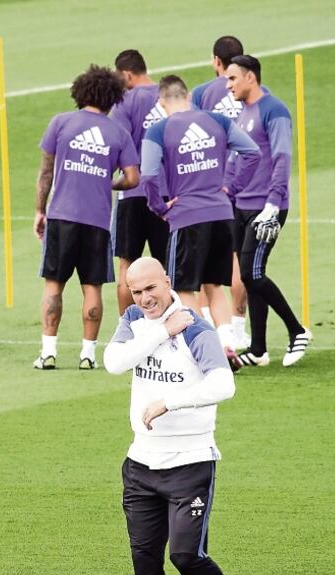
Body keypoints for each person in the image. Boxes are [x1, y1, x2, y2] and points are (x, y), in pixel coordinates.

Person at [104, 256, 251, 575]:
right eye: (136, 291)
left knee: (186, 558)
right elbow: (114, 363)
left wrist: (169, 402)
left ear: (167, 281)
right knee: (145, 564)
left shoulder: (195, 328)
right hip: (140, 466)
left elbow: (224, 385)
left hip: (189, 464)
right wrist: (159, 332)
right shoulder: (135, 319)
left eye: (151, 288)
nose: (144, 298)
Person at [140, 75, 260, 368]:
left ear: (161, 102)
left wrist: (159, 207)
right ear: (188, 96)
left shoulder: (159, 130)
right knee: (214, 286)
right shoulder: (218, 121)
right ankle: (227, 344)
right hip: (221, 214)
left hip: (187, 217)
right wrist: (231, 188)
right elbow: (252, 153)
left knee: (183, 289)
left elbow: (148, 175)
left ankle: (207, 349)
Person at [33, 64, 139, 370]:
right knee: (92, 287)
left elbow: (46, 172)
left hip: (61, 216)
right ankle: (88, 354)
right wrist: (109, 183)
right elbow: (133, 178)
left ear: (80, 92)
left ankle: (48, 352)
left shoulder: (61, 122)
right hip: (97, 221)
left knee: (54, 286)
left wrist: (40, 210)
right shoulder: (118, 133)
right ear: (112, 97)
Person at [226, 55, 312, 367]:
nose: (228, 85)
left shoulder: (274, 110)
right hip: (241, 206)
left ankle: (297, 330)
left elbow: (282, 157)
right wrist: (227, 192)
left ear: (250, 77)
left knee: (252, 273)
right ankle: (259, 349)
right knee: (249, 277)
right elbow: (236, 159)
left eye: (233, 78)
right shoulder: (242, 113)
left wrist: (274, 202)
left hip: (266, 207)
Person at [192, 35, 252, 346]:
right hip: (248, 182)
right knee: (240, 258)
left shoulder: (202, 93)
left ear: (216, 60)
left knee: (205, 257)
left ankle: (208, 325)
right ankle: (238, 329)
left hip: (212, 183)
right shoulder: (254, 90)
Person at [110, 49, 169, 315]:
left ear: (126, 74)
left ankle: (128, 329)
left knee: (127, 266)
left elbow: (117, 144)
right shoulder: (168, 95)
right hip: (167, 194)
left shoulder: (123, 102)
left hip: (132, 192)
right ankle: (169, 326)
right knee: (166, 267)